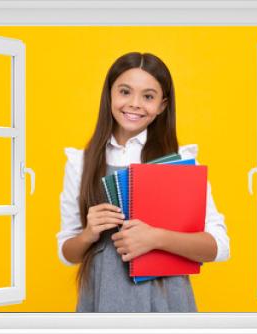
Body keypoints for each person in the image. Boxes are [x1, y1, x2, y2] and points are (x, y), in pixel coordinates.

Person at [57, 52, 230, 312]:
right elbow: (68, 254)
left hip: (166, 301)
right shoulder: (80, 162)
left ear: (162, 105)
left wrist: (156, 238)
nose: (135, 104)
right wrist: (88, 234)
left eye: (148, 96)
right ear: (110, 95)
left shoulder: (179, 160)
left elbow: (219, 247)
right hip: (103, 300)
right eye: (125, 92)